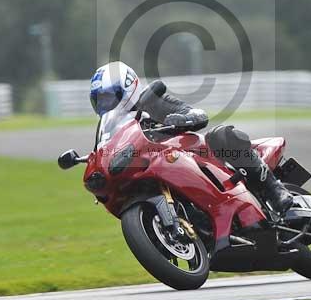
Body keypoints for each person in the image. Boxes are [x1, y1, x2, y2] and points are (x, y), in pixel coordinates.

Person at [89, 61, 293, 214]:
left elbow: (197, 114)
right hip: (152, 170)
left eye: (109, 97)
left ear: (128, 88)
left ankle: (275, 190)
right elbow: (105, 151)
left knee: (221, 135)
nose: (105, 103)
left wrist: (183, 118)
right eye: (100, 100)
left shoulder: (152, 102)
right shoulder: (110, 129)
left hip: (192, 154)